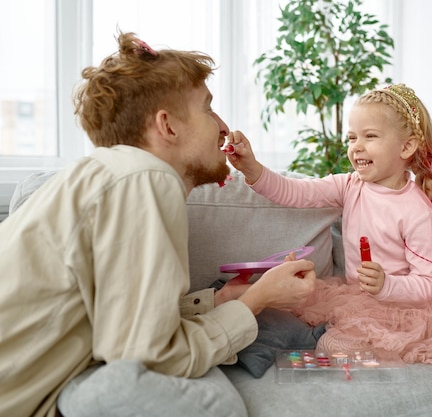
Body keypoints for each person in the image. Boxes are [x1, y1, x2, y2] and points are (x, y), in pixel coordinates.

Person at [0, 31, 317, 417]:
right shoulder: (145, 177)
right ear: (167, 126)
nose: (222, 126)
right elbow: (150, 358)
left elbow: (120, 323)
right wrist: (256, 300)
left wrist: (219, 301)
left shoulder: (111, 176)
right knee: (215, 403)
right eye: (208, 108)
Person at [227, 84, 432, 378]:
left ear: (406, 147)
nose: (356, 146)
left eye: (370, 136)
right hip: (354, 298)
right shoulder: (350, 185)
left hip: (400, 308)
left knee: (334, 345)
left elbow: (427, 285)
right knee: (285, 311)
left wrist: (386, 284)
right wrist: (251, 168)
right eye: (352, 137)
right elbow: (295, 192)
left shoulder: (417, 212)